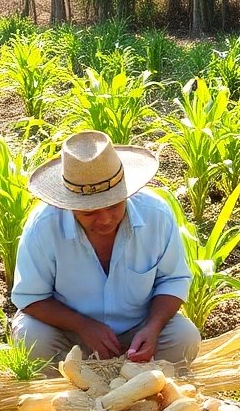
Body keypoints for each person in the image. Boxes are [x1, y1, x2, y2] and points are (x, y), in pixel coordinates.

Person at [10, 130, 201, 364]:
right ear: (69, 205)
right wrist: (83, 326)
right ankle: (69, 390)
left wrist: (152, 327)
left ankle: (142, 387)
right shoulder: (44, 226)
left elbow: (173, 280)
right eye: (89, 212)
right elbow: (30, 297)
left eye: (113, 205)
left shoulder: (156, 215)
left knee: (184, 337)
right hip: (70, 336)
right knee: (31, 338)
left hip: (138, 332)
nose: (105, 219)